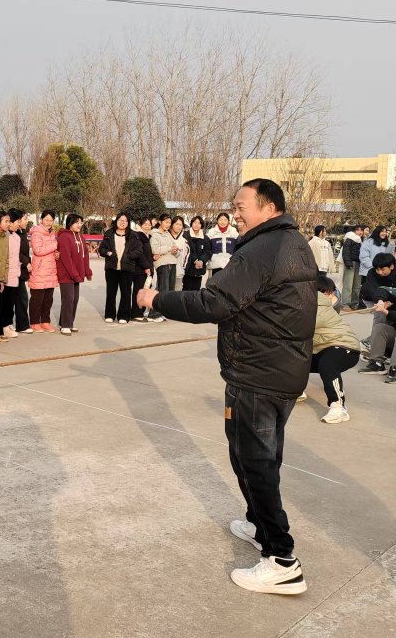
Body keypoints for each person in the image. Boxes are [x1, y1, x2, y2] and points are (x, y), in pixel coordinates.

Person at [137, 178, 316, 595]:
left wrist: (156, 300)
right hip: (280, 371)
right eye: (233, 207)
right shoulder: (292, 241)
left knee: (255, 463)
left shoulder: (261, 248)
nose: (235, 214)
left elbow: (213, 302)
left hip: (257, 374)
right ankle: (259, 526)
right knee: (258, 457)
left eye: (241, 206)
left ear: (268, 208)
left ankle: (282, 560)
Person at [310, 277, 361, 424]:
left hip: (345, 347)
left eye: (331, 292)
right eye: (328, 293)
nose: (331, 296)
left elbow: (299, 327)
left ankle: (338, 406)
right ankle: (294, 389)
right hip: (323, 347)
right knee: (296, 359)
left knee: (328, 363)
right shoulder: (309, 302)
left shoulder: (319, 305)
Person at [98, 211, 140, 322]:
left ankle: (124, 316)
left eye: (125, 221)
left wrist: (129, 256)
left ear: (128, 223)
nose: (123, 223)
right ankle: (109, 315)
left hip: (127, 267)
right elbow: (101, 249)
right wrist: (108, 253)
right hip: (112, 267)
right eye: (121, 220)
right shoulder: (109, 234)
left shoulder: (133, 235)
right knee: (111, 292)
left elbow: (138, 250)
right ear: (116, 221)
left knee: (126, 293)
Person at [56, 213, 92, 335]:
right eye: (77, 222)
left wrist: (87, 271)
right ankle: (65, 325)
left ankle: (68, 322)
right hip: (66, 274)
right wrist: (74, 274)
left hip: (77, 274)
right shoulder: (64, 237)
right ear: (70, 223)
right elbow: (66, 258)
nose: (79, 225)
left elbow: (85, 256)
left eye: (81, 222)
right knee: (68, 299)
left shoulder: (81, 237)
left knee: (74, 299)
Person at [0, 210, 21, 340]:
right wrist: (0, 276)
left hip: (10, 273)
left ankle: (4, 326)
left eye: (10, 221)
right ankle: (1, 328)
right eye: (7, 221)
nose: (9, 224)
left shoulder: (14, 237)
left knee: (8, 303)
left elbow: (10, 258)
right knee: (1, 305)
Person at [28, 210, 59, 332]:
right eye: (46, 220)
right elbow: (38, 250)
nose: (49, 222)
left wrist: (56, 253)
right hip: (39, 270)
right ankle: (34, 322)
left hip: (51, 270)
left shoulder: (52, 233)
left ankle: (45, 321)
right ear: (41, 220)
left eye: (51, 220)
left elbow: (51, 250)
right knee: (37, 299)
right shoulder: (36, 233)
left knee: (48, 300)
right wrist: (54, 246)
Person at [133, 216, 164, 323]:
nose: (147, 226)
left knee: (145, 290)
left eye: (149, 224)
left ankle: (142, 312)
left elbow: (148, 253)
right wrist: (146, 266)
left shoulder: (148, 236)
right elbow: (140, 253)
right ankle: (136, 313)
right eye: (145, 224)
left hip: (148, 268)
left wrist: (153, 257)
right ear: (140, 225)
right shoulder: (137, 235)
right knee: (139, 290)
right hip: (139, 269)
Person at [10, 209, 34, 334]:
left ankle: (21, 325)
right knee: (18, 298)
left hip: (21, 270)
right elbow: (15, 252)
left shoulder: (22, 233)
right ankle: (18, 325)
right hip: (15, 270)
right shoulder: (13, 235)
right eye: (25, 219)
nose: (26, 221)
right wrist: (26, 262)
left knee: (21, 298)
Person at [152, 216, 187, 294]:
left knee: (171, 292)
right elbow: (155, 249)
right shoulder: (154, 234)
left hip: (172, 263)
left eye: (169, 223)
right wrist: (169, 249)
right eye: (166, 222)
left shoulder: (168, 234)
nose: (168, 225)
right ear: (160, 222)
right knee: (163, 291)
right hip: (163, 264)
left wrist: (175, 251)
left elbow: (175, 250)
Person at [359, 226, 389, 297]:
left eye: (385, 231)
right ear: (377, 232)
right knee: (367, 291)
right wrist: (374, 268)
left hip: (382, 272)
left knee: (379, 290)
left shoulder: (386, 243)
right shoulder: (368, 242)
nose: (384, 233)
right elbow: (364, 257)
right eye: (382, 231)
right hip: (368, 271)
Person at [183, 215, 211, 290]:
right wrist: (195, 260)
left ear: (201, 225)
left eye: (199, 223)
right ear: (191, 223)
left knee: (196, 289)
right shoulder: (185, 235)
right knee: (186, 289)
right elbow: (186, 250)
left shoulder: (205, 238)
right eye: (195, 222)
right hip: (188, 267)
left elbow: (208, 251)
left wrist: (202, 260)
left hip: (200, 268)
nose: (196, 225)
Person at [340, 224, 365, 309]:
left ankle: (354, 303)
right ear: (354, 231)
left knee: (357, 285)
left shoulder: (360, 241)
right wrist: (348, 263)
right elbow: (345, 252)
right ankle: (345, 303)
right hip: (351, 263)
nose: (360, 232)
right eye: (358, 230)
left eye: (361, 230)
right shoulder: (349, 238)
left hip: (359, 264)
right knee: (348, 284)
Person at [207, 212, 238, 277]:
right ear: (217, 221)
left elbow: (238, 247)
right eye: (221, 219)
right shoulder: (212, 232)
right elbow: (207, 248)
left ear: (228, 221)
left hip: (230, 264)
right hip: (215, 264)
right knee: (215, 282)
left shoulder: (233, 232)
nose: (223, 222)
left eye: (225, 220)